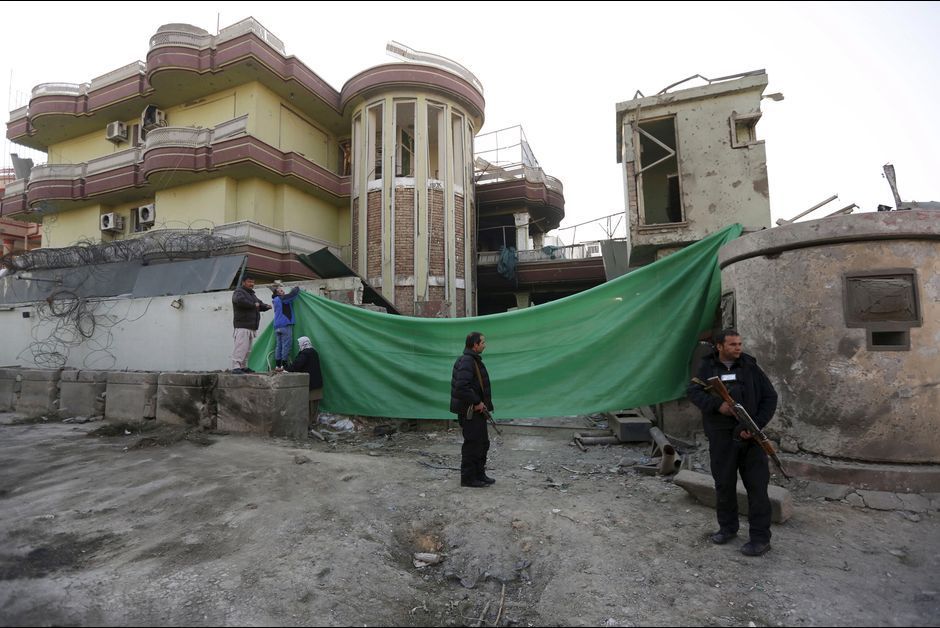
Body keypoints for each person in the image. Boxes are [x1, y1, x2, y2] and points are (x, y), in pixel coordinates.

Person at [687, 329, 779, 557]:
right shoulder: (707, 367)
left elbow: (770, 397)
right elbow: (693, 392)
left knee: (757, 488)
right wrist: (717, 406)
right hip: (721, 438)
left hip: (751, 438)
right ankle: (727, 528)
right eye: (733, 344)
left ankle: (760, 539)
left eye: (739, 343)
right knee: (724, 485)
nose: (738, 348)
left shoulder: (750, 367)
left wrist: (754, 425)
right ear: (719, 346)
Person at [450, 331, 495, 488]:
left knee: (482, 443)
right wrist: (477, 402)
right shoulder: (467, 361)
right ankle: (468, 478)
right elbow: (461, 388)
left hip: (478, 412)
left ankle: (479, 474)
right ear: (475, 345)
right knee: (472, 445)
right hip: (470, 412)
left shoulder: (473, 360)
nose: (484, 345)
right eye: (482, 342)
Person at [231, 276, 271, 374]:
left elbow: (259, 304)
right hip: (242, 325)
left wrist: (266, 306)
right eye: (249, 282)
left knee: (247, 349)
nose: (252, 284)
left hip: (251, 326)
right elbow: (239, 301)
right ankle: (236, 367)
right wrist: (254, 304)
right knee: (241, 347)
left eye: (253, 282)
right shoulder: (239, 292)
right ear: (243, 282)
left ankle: (243, 367)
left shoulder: (252, 294)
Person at [286, 336, 323, 425]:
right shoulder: (313, 351)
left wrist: (285, 370)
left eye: (299, 344)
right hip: (317, 383)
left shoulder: (305, 353)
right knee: (314, 407)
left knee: (308, 407)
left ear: (303, 344)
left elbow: (297, 365)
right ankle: (312, 423)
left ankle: (308, 425)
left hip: (311, 384)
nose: (299, 345)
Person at [271, 284, 301, 372]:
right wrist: (297, 287)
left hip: (277, 326)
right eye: (281, 291)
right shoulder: (282, 298)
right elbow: (293, 294)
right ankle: (284, 365)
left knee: (278, 346)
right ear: (277, 293)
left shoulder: (275, 300)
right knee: (286, 345)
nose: (283, 291)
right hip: (285, 325)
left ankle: (277, 366)